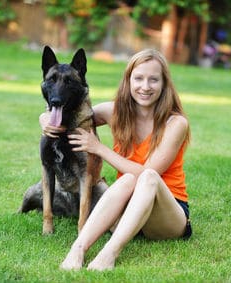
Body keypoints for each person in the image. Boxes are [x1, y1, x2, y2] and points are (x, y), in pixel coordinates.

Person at [40, 49, 192, 271]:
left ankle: (109, 253)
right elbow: (76, 112)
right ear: (128, 81)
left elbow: (145, 173)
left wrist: (99, 149)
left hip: (167, 216)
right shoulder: (115, 112)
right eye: (138, 78)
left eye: (153, 80)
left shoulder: (176, 123)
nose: (145, 86)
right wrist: (44, 117)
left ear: (164, 84)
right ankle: (78, 249)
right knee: (127, 182)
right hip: (127, 211)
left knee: (144, 177)